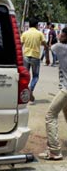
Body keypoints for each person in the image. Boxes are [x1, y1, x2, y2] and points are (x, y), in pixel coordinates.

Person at [38, 27, 67, 160]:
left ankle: (55, 151)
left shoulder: (60, 47)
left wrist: (50, 40)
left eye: (62, 33)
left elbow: (48, 47)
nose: (59, 35)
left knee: (50, 115)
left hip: (66, 89)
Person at [21, 18, 50, 104]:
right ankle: (31, 89)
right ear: (37, 25)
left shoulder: (25, 33)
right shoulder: (39, 33)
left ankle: (26, 94)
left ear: (29, 24)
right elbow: (46, 46)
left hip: (26, 56)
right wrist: (47, 59)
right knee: (35, 76)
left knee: (25, 76)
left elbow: (20, 45)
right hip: (35, 57)